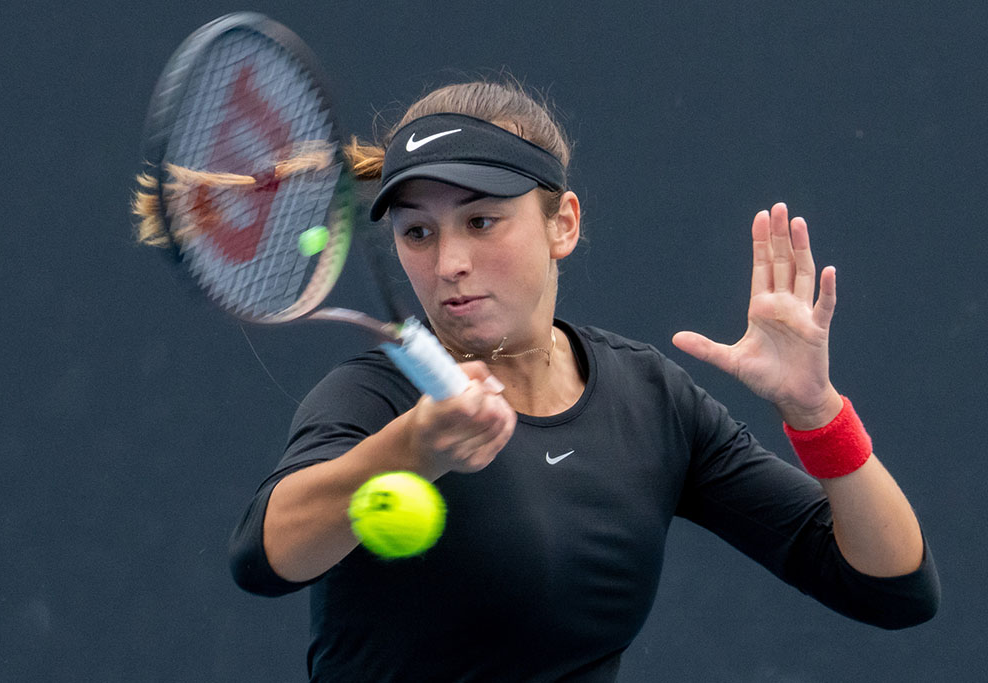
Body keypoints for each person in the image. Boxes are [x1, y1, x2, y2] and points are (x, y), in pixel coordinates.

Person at [229, 80, 939, 682]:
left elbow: (891, 586)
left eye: (481, 221)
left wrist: (815, 411)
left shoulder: (650, 399)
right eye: (418, 233)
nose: (449, 262)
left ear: (561, 223)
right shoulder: (373, 400)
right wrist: (413, 448)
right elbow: (265, 559)